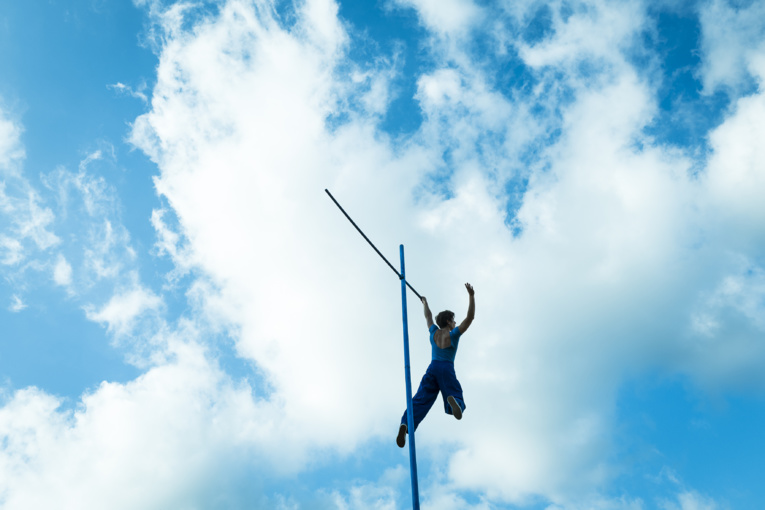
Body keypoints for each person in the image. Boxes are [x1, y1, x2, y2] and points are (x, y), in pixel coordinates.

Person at [397, 283, 475, 448]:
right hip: (446, 367)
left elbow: (428, 317)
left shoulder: (433, 332)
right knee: (454, 391)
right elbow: (470, 318)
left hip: (432, 369)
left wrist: (425, 304)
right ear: (448, 321)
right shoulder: (453, 334)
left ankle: (406, 423)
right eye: (453, 320)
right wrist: (471, 296)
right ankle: (455, 402)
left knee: (421, 398)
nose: (455, 322)